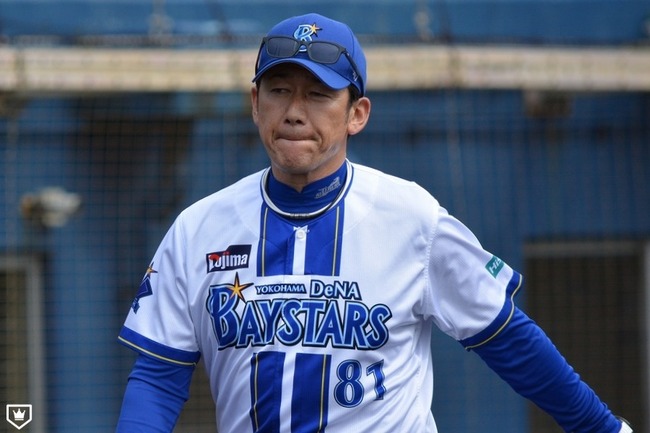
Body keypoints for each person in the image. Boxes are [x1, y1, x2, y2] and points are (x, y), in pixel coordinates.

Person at [115, 12, 633, 433]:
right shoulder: (198, 228)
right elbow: (158, 378)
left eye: (318, 95)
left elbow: (508, 339)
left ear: (357, 114)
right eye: (278, 90)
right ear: (255, 103)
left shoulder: (413, 218)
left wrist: (602, 428)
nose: (294, 112)